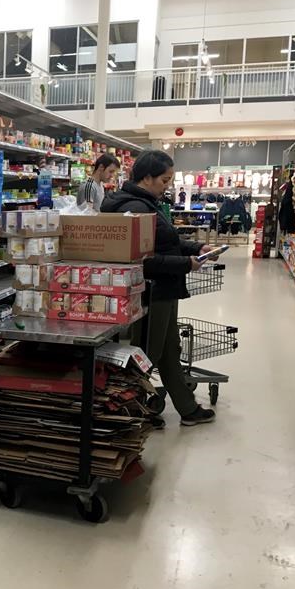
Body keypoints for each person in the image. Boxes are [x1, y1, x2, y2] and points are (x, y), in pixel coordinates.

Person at [101, 149, 218, 426]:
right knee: (147, 354)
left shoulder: (145, 203)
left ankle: (187, 409)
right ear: (147, 177)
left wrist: (197, 248)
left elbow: (165, 242)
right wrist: (186, 263)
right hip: (152, 292)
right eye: (164, 180)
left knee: (168, 351)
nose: (168, 186)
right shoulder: (137, 209)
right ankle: (130, 409)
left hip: (163, 289)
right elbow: (146, 261)